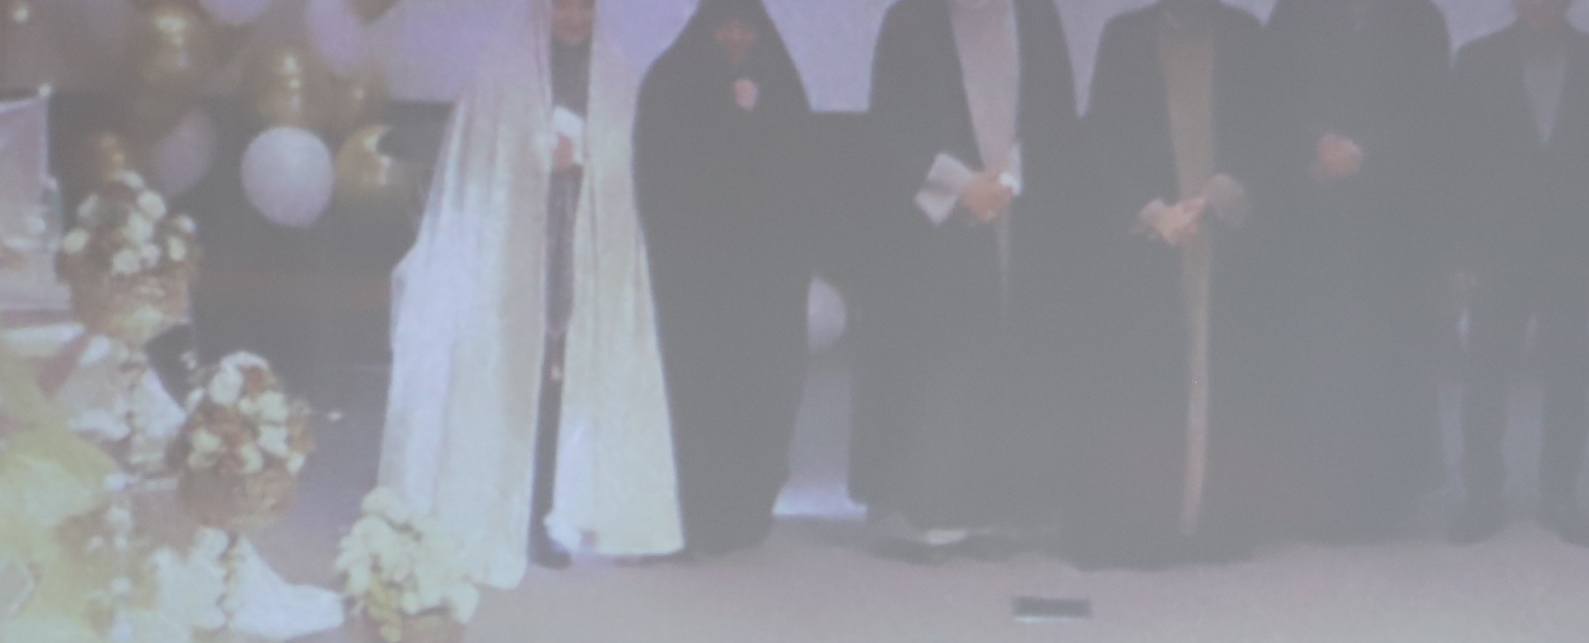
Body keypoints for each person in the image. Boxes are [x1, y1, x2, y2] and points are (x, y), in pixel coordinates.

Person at [378, 0, 682, 585]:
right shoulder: (502, 71)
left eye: (584, 5)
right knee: (514, 377)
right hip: (513, 257)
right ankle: (500, 506)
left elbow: (625, 162)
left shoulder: (614, 73)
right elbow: (482, 162)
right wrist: (539, 156)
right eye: (563, 4)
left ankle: (545, 512)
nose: (574, 17)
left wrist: (586, 159)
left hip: (581, 251)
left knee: (560, 384)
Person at [1067, 0, 1299, 564]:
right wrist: (1152, 211)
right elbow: (1103, 138)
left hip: (1227, 241)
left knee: (1227, 376)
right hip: (1150, 243)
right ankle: (1148, 521)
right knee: (1148, 378)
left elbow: (1271, 132)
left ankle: (1216, 519)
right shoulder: (1125, 37)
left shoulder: (1245, 34)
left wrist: (1219, 196)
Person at [854, 0, 1086, 556]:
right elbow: (892, 123)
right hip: (938, 223)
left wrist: (1007, 180)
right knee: (945, 357)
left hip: (1020, 216)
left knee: (1016, 351)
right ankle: (936, 509)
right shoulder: (912, 18)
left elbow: (1054, 113)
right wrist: (960, 186)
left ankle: (1011, 506)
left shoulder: (1036, 15)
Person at [1445, 0, 1589, 548]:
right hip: (1496, 244)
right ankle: (1482, 497)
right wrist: (1460, 248)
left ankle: (1560, 496)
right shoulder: (1477, 59)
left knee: (1568, 377)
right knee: (1486, 375)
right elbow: (1458, 158)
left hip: (1571, 243)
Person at [1267, 0, 1454, 541]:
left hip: (1393, 219)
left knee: (1388, 355)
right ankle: (1316, 496)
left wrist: (1367, 150)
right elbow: (1272, 95)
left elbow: (1435, 107)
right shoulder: (1295, 12)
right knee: (1317, 353)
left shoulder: (1419, 15)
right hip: (1313, 213)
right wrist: (1317, 143)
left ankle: (1383, 496)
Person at [636, 0, 818, 557]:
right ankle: (692, 514)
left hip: (764, 281)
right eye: (726, 28)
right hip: (694, 282)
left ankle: (747, 508)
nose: (737, 39)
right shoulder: (670, 81)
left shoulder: (779, 83)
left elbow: (800, 173)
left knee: (761, 390)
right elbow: (657, 176)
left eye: (746, 28)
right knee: (696, 396)